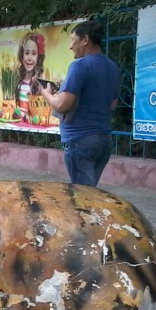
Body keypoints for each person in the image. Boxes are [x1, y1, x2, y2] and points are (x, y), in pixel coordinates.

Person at [39, 20, 120, 186]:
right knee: (90, 191)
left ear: (85, 40)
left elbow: (62, 105)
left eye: (72, 40)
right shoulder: (112, 67)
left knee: (83, 195)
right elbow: (112, 104)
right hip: (104, 139)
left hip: (80, 139)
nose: (70, 46)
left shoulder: (79, 66)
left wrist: (46, 94)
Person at [14, 32, 45, 120]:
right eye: (27, 53)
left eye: (34, 54)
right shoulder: (18, 83)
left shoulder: (39, 84)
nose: (30, 58)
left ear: (38, 57)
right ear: (22, 55)